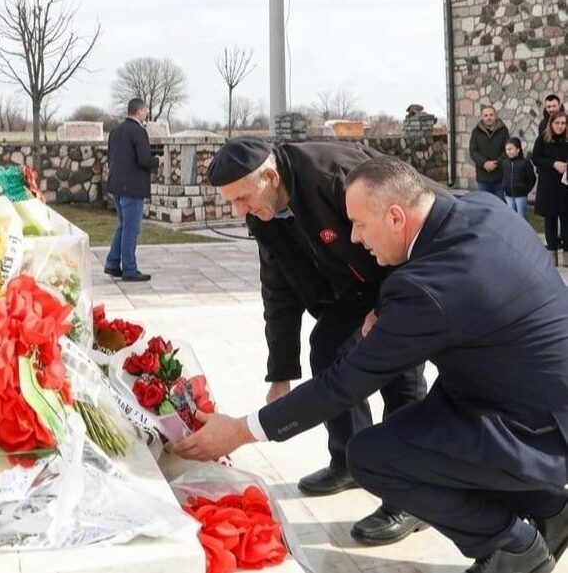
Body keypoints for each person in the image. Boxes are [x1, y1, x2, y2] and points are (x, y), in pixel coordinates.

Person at [173, 156, 568, 573]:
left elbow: (343, 384)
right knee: (418, 432)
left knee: (372, 456)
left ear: (396, 217)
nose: (355, 238)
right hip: (518, 390)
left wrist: (240, 431)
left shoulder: (427, 289)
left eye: (360, 224)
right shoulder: (482, 209)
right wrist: (387, 310)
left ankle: (513, 548)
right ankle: (550, 509)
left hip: (535, 428)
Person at [206, 137, 429, 545]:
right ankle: (348, 461)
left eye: (241, 198)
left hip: (399, 268)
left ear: (270, 176)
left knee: (400, 373)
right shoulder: (263, 210)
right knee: (326, 347)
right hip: (355, 283)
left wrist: (391, 305)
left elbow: (405, 232)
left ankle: (412, 497)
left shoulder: (334, 176)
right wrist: (280, 374)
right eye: (231, 201)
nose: (237, 211)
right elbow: (278, 288)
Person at [104, 98, 162, 282]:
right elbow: (144, 160)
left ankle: (113, 263)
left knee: (123, 226)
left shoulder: (116, 130)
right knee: (131, 228)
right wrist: (158, 161)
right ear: (140, 111)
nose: (147, 114)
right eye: (146, 110)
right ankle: (129, 269)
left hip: (116, 185)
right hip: (132, 188)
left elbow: (110, 157)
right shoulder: (138, 131)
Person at [532, 112, 568, 267]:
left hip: (565, 187)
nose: (560, 126)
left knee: (566, 221)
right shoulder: (543, 139)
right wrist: (553, 164)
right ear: (551, 124)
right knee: (550, 221)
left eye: (563, 123)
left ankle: (566, 255)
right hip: (548, 186)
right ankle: (552, 255)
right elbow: (535, 158)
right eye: (557, 123)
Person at [469, 105, 509, 200]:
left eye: (491, 115)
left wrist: (496, 163)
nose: (489, 117)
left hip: (499, 176)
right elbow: (473, 151)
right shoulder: (476, 132)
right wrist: (484, 163)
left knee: (499, 205)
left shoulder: (503, 130)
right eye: (486, 115)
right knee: (484, 204)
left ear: (495, 116)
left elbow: (507, 150)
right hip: (483, 177)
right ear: (482, 117)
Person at [501, 137, 536, 221]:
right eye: (507, 149)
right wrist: (505, 187)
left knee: (521, 217)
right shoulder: (505, 163)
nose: (508, 151)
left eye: (511, 149)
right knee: (511, 217)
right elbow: (503, 176)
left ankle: (524, 230)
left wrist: (525, 190)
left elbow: (532, 178)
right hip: (508, 195)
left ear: (518, 150)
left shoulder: (525, 163)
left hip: (521, 195)